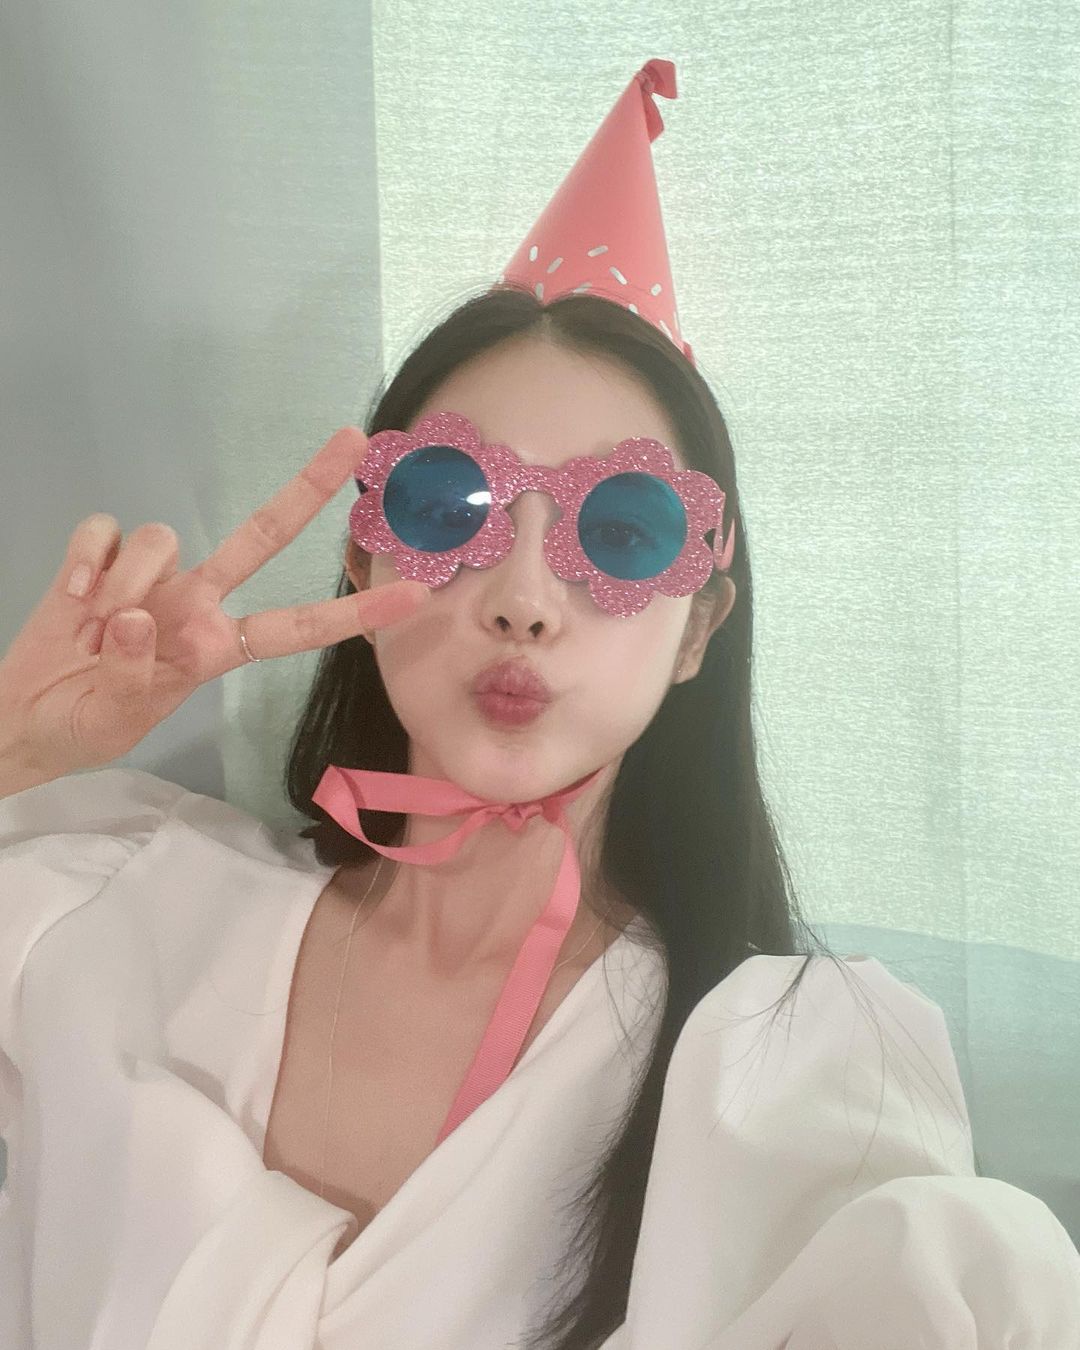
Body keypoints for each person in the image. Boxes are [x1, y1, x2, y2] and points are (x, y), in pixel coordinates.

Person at [2, 59, 1078, 1350]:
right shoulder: (118, 902)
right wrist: (16, 746)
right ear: (363, 560)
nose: (521, 600)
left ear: (700, 627)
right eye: (446, 506)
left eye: (620, 530)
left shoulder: (787, 1081)